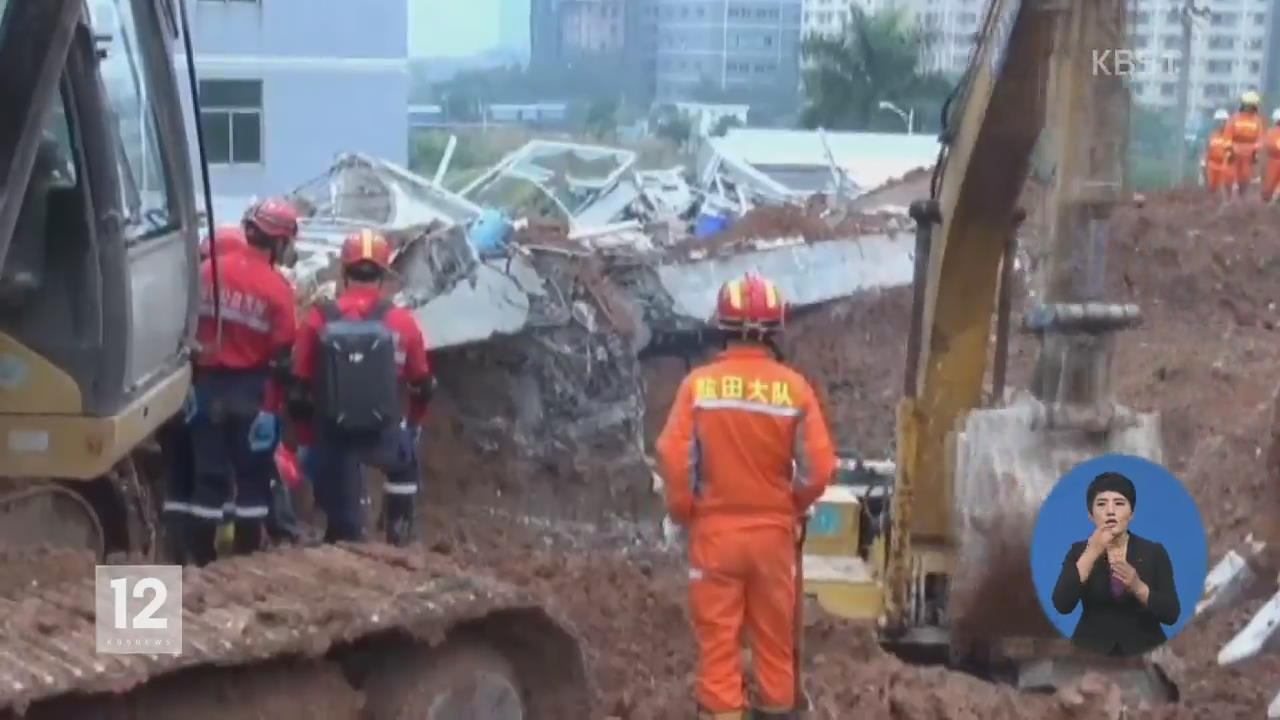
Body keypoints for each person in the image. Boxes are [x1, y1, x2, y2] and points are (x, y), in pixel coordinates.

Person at [655, 272, 837, 720]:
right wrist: (788, 505)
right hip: (773, 538)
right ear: (775, 329)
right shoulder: (794, 388)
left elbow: (673, 457)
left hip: (714, 537)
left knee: (719, 645)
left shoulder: (697, 387)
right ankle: (777, 712)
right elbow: (820, 466)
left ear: (723, 326)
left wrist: (684, 511)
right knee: (775, 644)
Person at [289, 229, 433, 546]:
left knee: (344, 526)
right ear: (383, 275)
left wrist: (307, 440)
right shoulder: (403, 322)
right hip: (383, 434)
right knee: (405, 465)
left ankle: (341, 531)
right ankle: (398, 534)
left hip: (333, 438)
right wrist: (413, 425)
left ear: (344, 272)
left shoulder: (317, 319)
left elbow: (298, 389)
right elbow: (422, 384)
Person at [184, 198, 299, 566]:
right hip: (252, 392)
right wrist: (272, 408)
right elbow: (282, 359)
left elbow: (185, 331)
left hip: (204, 388)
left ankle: (198, 559)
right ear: (280, 242)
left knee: (208, 479)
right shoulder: (278, 289)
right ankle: (245, 563)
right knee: (251, 481)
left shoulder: (207, 272)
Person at [1051, 471, 1180, 657]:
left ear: (1132, 514)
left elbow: (1171, 613)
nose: (1110, 511)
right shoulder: (1079, 552)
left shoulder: (1153, 552)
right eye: (1101, 504)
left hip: (1144, 651)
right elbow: (1062, 604)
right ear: (1091, 515)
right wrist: (1092, 552)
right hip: (1090, 652)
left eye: (1119, 504)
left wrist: (1139, 587)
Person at [1225, 90, 1266, 199]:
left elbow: (1260, 138)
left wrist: (1256, 152)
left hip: (1249, 154)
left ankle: (1244, 199)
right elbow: (1228, 136)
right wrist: (1229, 150)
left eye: (1252, 106)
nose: (1250, 108)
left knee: (1246, 178)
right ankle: (1231, 199)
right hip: (1235, 151)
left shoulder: (1257, 121)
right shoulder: (1234, 119)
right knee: (1232, 177)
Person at [1203, 108, 1235, 199]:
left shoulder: (1231, 136)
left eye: (1223, 121)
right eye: (1219, 121)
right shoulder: (1212, 135)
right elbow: (1207, 149)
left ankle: (1226, 204)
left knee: (1224, 187)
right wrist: (1203, 162)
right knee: (1211, 187)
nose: (1221, 124)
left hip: (1225, 165)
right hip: (1212, 165)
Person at [1262, 108, 1280, 204]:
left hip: (1272, 162)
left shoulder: (1270, 132)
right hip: (1273, 161)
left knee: (1269, 187)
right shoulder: (1270, 132)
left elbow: (1264, 148)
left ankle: (1271, 200)